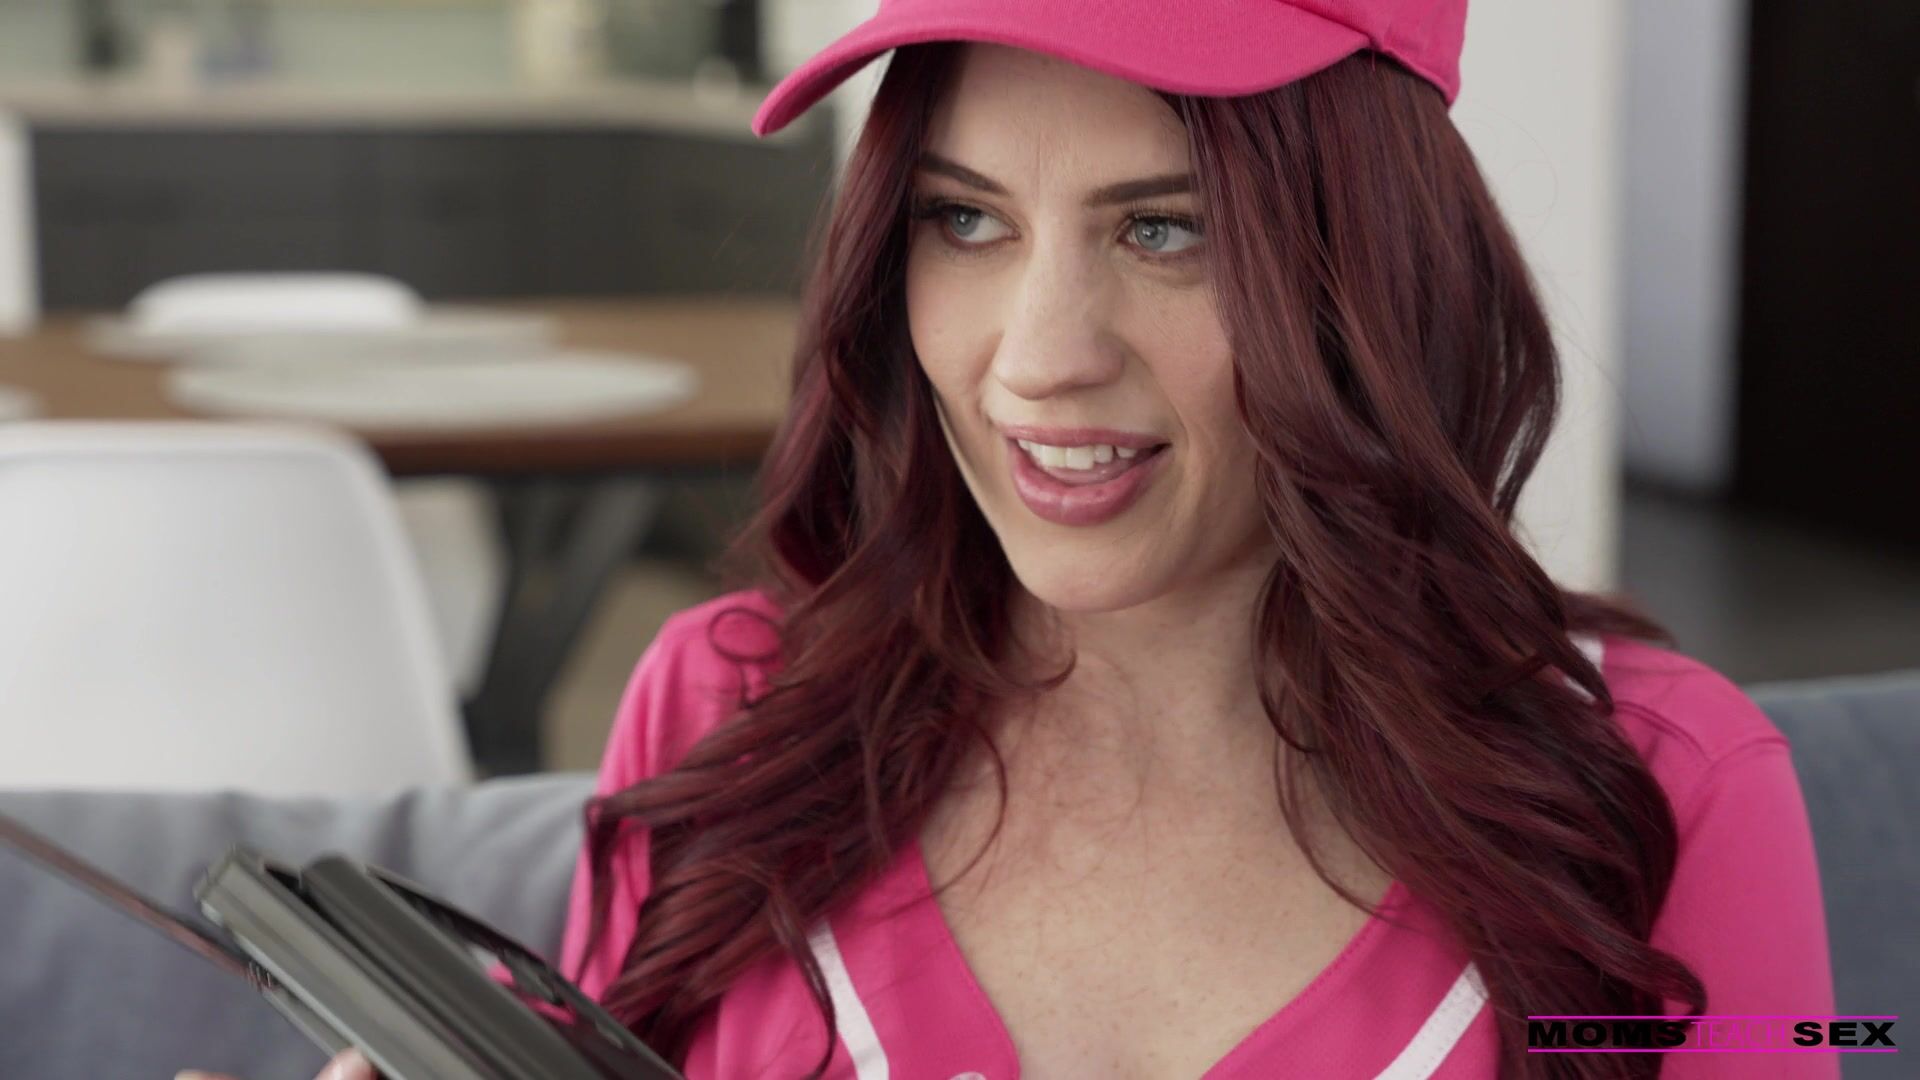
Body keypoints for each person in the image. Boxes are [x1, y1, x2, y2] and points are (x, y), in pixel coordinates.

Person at [183, 1, 1837, 1078]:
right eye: (965, 219)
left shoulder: (1668, 790)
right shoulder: (726, 714)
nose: (1038, 357)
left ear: (1373, 274)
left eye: (1167, 230)